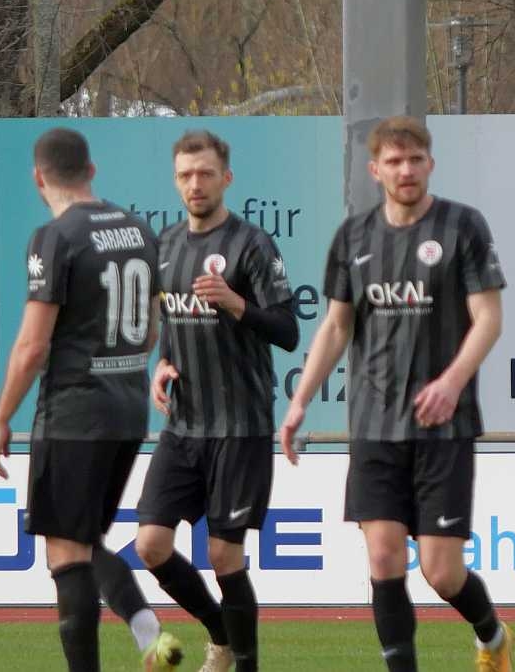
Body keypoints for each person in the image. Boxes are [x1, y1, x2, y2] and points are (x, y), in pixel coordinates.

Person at [278, 116, 512, 672]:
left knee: (440, 572)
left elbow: (489, 318)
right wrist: (300, 400)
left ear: (430, 164)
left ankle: (492, 634)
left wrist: (451, 382)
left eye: (415, 160)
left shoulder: (461, 227)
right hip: (374, 425)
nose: (405, 170)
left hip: (443, 428)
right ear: (375, 170)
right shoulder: (353, 238)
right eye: (394, 161)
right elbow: (337, 326)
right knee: (384, 560)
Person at [0, 127, 183, 672]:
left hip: (74, 411)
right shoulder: (138, 229)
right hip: (127, 409)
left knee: (66, 552)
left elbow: (32, 346)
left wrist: (2, 418)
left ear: (38, 177)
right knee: (84, 540)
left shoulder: (55, 237)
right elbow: (150, 330)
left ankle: (149, 635)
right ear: (92, 170)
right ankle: (149, 636)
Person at [135, 129, 300, 672]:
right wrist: (162, 363)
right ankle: (220, 635)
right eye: (185, 175)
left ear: (226, 178)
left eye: (205, 173)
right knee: (150, 545)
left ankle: (243, 663)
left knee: (224, 556)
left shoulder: (252, 245)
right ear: (175, 181)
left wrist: (235, 302)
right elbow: (170, 322)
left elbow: (288, 331)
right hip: (183, 426)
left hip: (239, 423)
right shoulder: (164, 245)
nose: (195, 184)